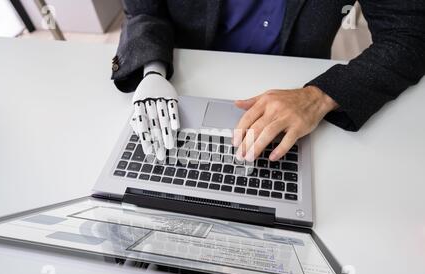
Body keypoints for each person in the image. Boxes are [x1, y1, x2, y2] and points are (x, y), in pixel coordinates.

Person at [111, 0, 425, 162]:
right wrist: (152, 68)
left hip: (296, 87)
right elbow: (143, 12)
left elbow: (410, 35)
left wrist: (319, 96)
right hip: (184, 80)